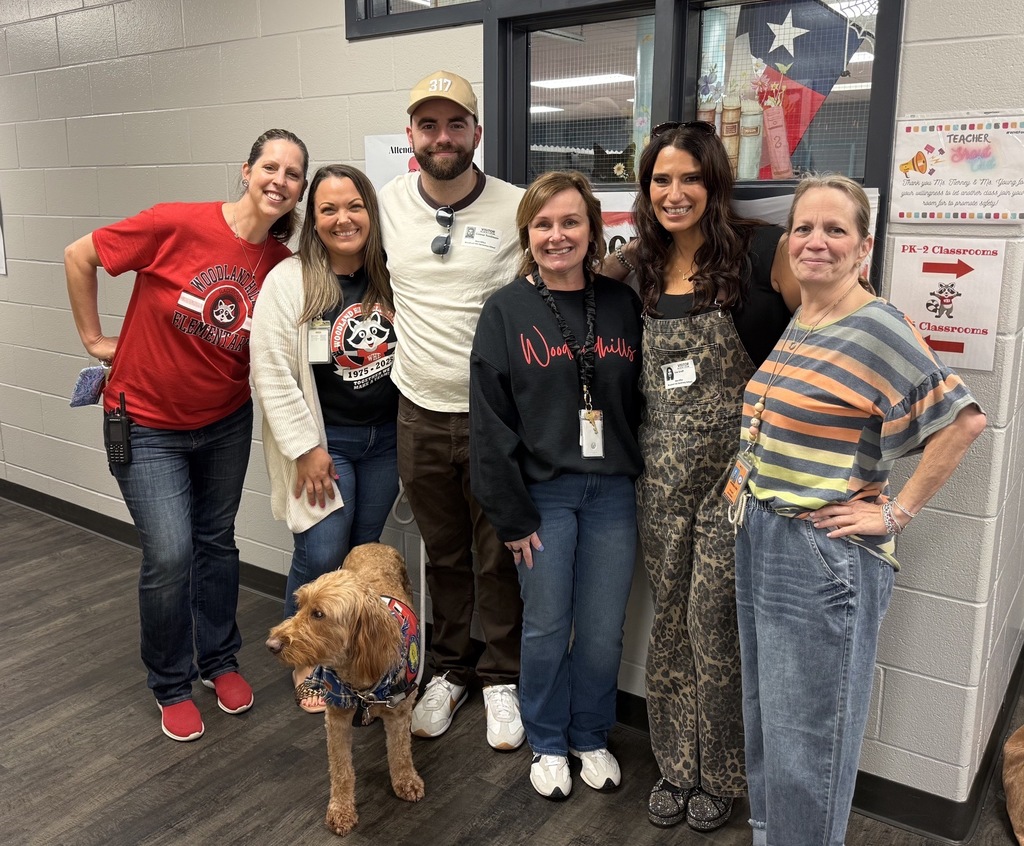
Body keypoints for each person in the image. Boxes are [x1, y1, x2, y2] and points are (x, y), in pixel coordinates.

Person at [732, 174, 986, 846]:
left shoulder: (876, 326)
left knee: (809, 736)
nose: (816, 242)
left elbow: (961, 423)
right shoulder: (809, 314)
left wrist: (894, 513)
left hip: (818, 554)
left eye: (834, 230)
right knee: (769, 719)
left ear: (863, 247)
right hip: (764, 532)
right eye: (804, 229)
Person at [64, 129, 310, 742]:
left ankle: (219, 661)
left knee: (216, 543)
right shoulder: (176, 223)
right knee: (171, 554)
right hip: (145, 422)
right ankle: (170, 682)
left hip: (224, 422)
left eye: (293, 173)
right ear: (247, 170)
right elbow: (78, 255)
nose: (279, 180)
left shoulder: (280, 267)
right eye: (270, 167)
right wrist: (95, 340)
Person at [608, 121, 799, 831]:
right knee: (667, 624)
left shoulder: (762, 254)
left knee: (713, 622)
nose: (675, 192)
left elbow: (826, 325)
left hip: (735, 477)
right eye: (661, 179)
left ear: (714, 182)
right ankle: (675, 765)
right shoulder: (636, 268)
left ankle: (721, 771)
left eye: (690, 178)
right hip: (659, 476)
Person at [469, 171, 643, 799]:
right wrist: (511, 517)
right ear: (527, 235)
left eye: (570, 222)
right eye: (543, 224)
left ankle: (590, 733)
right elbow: (489, 426)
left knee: (601, 628)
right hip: (543, 496)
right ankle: (546, 739)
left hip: (613, 494)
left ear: (593, 230)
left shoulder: (623, 305)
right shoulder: (506, 310)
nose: (557, 235)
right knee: (546, 624)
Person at [378, 69, 526, 750]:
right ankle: (448, 671)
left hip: (496, 417)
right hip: (418, 413)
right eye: (429, 125)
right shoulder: (385, 205)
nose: (443, 137)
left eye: (455, 123)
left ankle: (501, 678)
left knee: (497, 555)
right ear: (411, 135)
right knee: (443, 554)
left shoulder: (516, 206)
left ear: (476, 133)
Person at [250, 164, 399, 714]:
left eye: (354, 206)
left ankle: (352, 655)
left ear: (370, 213)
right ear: (312, 220)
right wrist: (306, 449)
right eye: (328, 209)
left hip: (385, 441)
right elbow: (269, 370)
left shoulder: (391, 274)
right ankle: (304, 656)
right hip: (324, 444)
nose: (343, 219)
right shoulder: (290, 281)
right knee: (321, 550)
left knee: (360, 557)